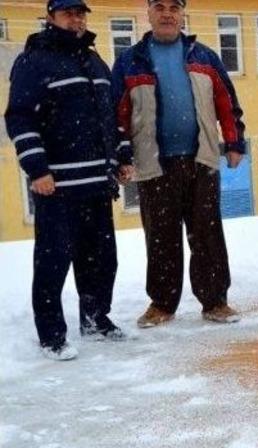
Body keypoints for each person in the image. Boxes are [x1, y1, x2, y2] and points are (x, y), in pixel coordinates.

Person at [4, 0, 133, 360]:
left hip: (97, 182)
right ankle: (51, 335)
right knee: (53, 262)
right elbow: (19, 118)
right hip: (58, 185)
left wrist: (121, 157)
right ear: (50, 18)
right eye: (67, 13)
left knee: (101, 260)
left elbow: (111, 116)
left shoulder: (94, 61)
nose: (76, 19)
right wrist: (38, 169)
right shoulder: (34, 60)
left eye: (80, 13)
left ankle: (95, 318)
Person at [112, 0, 246, 327]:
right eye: (160, 7)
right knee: (161, 236)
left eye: (174, 7)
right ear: (149, 13)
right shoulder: (130, 61)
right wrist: (121, 155)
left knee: (207, 233)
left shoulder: (204, 56)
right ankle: (162, 303)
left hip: (201, 160)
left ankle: (215, 301)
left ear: (183, 13)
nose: (167, 13)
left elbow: (226, 103)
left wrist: (234, 141)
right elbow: (117, 113)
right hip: (154, 164)